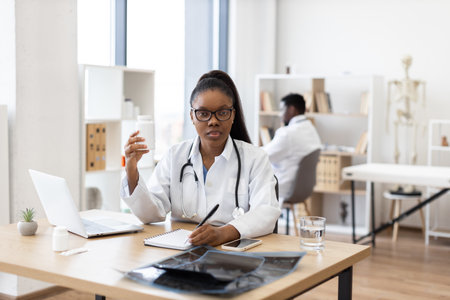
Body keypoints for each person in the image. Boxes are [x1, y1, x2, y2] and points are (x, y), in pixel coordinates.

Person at [121, 70, 281, 246]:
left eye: (222, 113)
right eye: (203, 114)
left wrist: (224, 233)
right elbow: (150, 214)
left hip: (231, 253)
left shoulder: (255, 158)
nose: (213, 121)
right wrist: (131, 168)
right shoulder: (175, 156)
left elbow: (266, 212)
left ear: (232, 115)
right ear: (192, 116)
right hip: (182, 250)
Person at [263, 93, 321, 203]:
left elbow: (265, 156)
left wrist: (250, 150)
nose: (280, 115)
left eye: (281, 110)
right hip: (304, 188)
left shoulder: (288, 133)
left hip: (286, 187)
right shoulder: (311, 129)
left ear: (291, 109)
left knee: (247, 184)